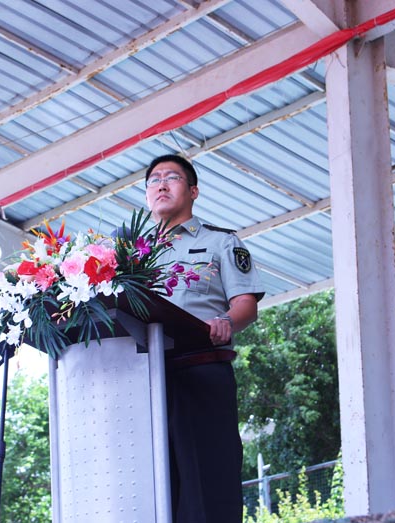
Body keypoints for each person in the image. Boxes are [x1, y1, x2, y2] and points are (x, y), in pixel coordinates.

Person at [144, 154, 264, 523]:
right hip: (143, 378)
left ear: (193, 191)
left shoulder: (221, 241)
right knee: (151, 484)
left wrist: (226, 321)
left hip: (199, 367)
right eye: (154, 180)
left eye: (172, 178)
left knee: (206, 482)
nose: (161, 185)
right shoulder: (132, 255)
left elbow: (245, 305)